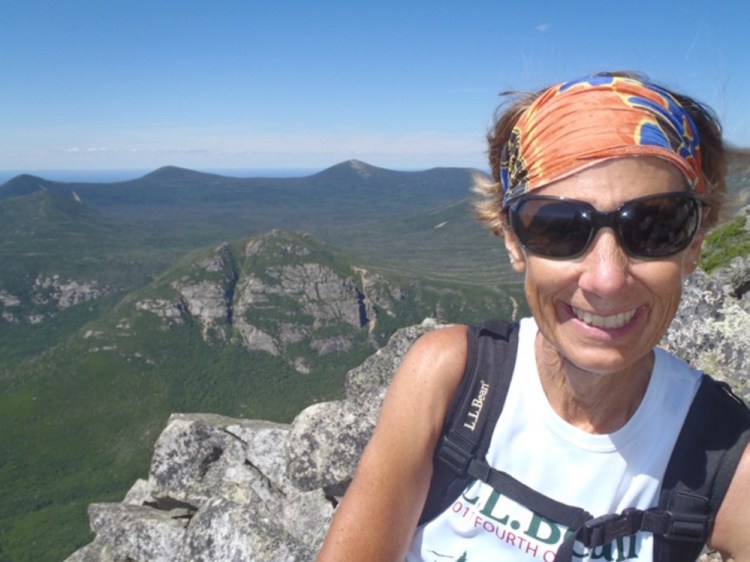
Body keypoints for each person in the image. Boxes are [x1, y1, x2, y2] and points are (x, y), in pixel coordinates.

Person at [315, 72, 750, 562]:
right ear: (512, 240)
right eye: (559, 228)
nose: (606, 279)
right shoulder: (450, 378)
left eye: (655, 228)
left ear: (695, 243)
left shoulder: (725, 455)